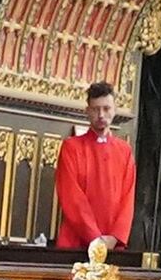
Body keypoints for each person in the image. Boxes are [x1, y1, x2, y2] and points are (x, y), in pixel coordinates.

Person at [52, 73, 139, 255]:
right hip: (77, 243)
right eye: (96, 109)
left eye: (106, 109)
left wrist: (115, 237)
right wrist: (95, 238)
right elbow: (72, 198)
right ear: (87, 111)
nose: (101, 115)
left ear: (114, 110)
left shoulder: (125, 151)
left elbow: (128, 199)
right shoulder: (71, 147)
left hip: (113, 245)